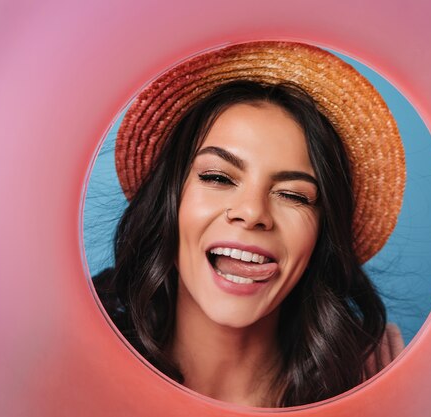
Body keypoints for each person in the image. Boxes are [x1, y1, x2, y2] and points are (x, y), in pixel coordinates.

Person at [94, 41, 406, 408]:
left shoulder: (376, 381)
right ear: (170, 201)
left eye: (293, 195)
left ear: (322, 233)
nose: (252, 212)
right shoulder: (74, 366)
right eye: (217, 177)